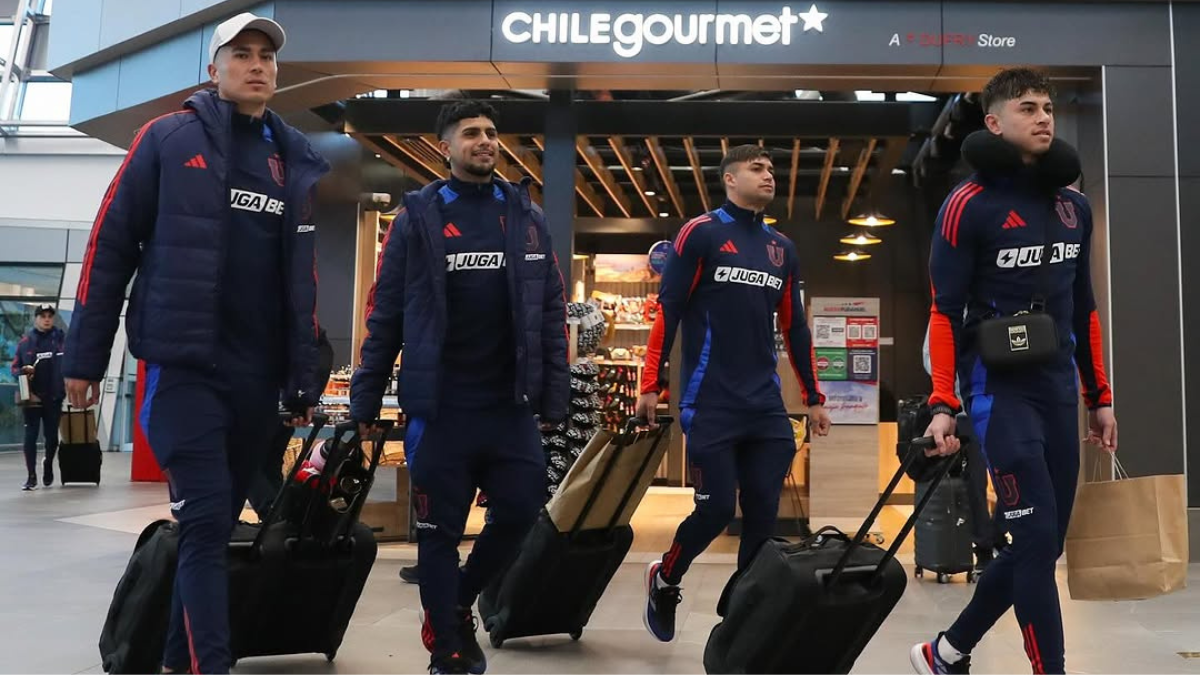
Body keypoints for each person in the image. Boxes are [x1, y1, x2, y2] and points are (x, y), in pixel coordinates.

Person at [61, 12, 329, 674]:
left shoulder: (292, 159)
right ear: (212, 69)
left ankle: (183, 663)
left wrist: (302, 377)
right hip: (185, 371)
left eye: (267, 55)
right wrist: (85, 359)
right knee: (208, 523)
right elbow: (110, 245)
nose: (258, 64)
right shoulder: (167, 139)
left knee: (212, 529)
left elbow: (301, 282)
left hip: (256, 381)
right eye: (242, 53)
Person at [349, 100, 569, 675]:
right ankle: (446, 647)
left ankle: (456, 600)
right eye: (471, 133)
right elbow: (386, 312)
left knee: (521, 512)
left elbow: (550, 309)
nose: (485, 141)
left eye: (492, 133)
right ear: (444, 146)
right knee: (437, 532)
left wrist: (555, 394)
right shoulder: (417, 216)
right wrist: (366, 398)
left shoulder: (525, 216)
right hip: (440, 407)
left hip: (508, 406)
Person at [911, 68, 1118, 675]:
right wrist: (943, 401)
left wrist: (1098, 394)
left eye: (1049, 106)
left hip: (1057, 392)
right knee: (1030, 541)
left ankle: (945, 652)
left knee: (1042, 543)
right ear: (995, 123)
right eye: (1028, 107)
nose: (1045, 116)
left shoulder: (1074, 207)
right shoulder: (966, 206)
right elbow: (944, 312)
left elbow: (1086, 308)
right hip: (997, 394)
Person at [636, 144, 832, 644]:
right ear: (729, 179)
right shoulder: (700, 234)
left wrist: (813, 396)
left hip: (765, 406)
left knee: (763, 518)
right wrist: (650, 384)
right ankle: (666, 576)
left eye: (771, 168)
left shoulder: (781, 248)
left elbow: (796, 328)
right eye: (757, 168)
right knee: (718, 507)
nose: (769, 175)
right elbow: (670, 310)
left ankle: (741, 615)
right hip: (711, 401)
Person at [922, 326, 1004, 573]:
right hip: (966, 408)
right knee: (974, 481)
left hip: (1003, 406)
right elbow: (931, 356)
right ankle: (983, 548)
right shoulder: (953, 308)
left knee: (1009, 477)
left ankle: (1000, 535)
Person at [246, 326, 335, 520]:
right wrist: (303, 398)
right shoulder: (308, 323)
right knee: (270, 464)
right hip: (287, 401)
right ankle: (285, 521)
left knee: (245, 462)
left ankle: (274, 516)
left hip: (269, 399)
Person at [10, 303, 65, 490]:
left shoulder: (60, 339)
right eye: (43, 316)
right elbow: (14, 368)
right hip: (32, 399)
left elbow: (70, 360)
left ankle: (48, 463)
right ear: (36, 319)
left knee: (52, 438)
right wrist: (23, 371)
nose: (47, 319)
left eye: (50, 316)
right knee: (30, 436)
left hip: (54, 397)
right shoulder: (26, 342)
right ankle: (31, 476)